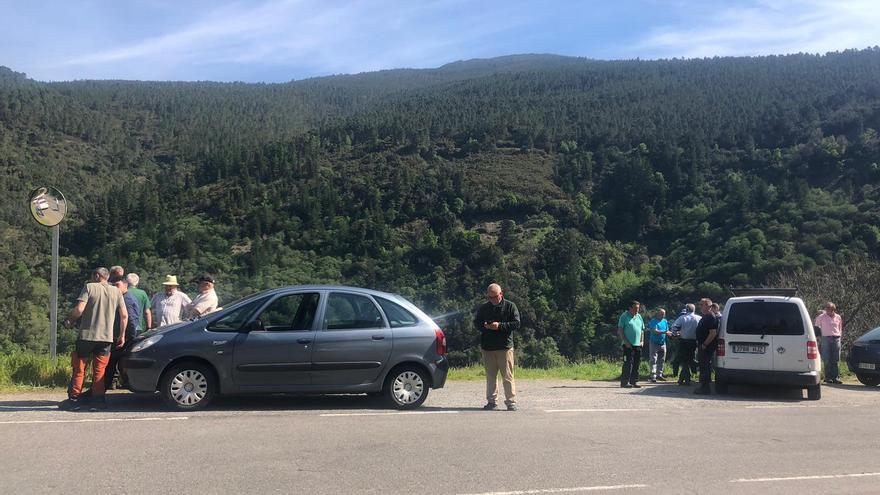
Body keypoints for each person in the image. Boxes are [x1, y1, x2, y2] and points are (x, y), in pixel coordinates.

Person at [59, 267, 127, 411]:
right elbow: (124, 316)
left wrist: (69, 321)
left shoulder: (89, 287)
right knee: (99, 370)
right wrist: (121, 335)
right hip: (106, 338)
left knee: (79, 368)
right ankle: (98, 402)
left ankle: (74, 400)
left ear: (96, 276)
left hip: (87, 336)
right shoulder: (116, 291)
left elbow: (80, 309)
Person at [473, 283, 520, 411]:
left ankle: (511, 402)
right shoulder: (484, 308)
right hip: (488, 347)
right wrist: (485, 326)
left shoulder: (510, 306)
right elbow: (476, 323)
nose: (493, 299)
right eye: (490, 297)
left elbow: (516, 323)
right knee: (490, 376)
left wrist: (499, 326)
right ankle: (492, 402)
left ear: (501, 294)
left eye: (495, 297)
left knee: (507, 376)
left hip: (505, 347)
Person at [104, 276, 140, 390]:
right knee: (113, 363)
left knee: (113, 363)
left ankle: (103, 387)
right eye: (113, 286)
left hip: (124, 338)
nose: (115, 288)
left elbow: (131, 320)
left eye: (117, 285)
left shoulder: (126, 299)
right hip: (121, 336)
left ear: (125, 285)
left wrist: (129, 338)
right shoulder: (123, 297)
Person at [618, 300, 645, 388]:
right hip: (628, 345)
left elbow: (642, 330)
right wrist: (626, 342)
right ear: (630, 308)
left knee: (637, 363)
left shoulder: (639, 316)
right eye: (635, 308)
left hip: (638, 344)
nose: (637, 310)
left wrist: (642, 341)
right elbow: (620, 330)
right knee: (628, 363)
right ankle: (625, 382)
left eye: (638, 308)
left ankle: (634, 381)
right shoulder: (624, 316)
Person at [694, 298, 719, 395]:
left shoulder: (711, 317)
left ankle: (705, 388)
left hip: (706, 346)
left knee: (705, 366)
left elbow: (713, 333)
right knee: (703, 365)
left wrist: (704, 344)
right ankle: (703, 386)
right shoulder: (705, 316)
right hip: (702, 345)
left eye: (702, 305)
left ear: (708, 306)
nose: (700, 306)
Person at [814, 302, 843, 384]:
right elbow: (816, 327)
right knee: (826, 359)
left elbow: (840, 327)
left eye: (829, 308)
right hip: (825, 338)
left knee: (836, 359)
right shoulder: (821, 317)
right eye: (826, 307)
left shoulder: (838, 317)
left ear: (833, 309)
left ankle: (836, 378)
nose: (827, 309)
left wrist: (839, 336)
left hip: (836, 338)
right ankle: (828, 377)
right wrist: (819, 337)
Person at [672, 304, 701, 385]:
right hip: (694, 342)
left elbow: (674, 327)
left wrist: (675, 334)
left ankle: (686, 380)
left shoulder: (682, 318)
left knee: (685, 361)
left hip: (684, 341)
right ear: (694, 310)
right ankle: (683, 380)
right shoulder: (699, 318)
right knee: (690, 360)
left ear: (686, 309)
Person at [648, 309, 671, 383]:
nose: (663, 315)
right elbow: (654, 330)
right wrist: (664, 332)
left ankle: (659, 375)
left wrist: (673, 334)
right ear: (657, 314)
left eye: (664, 314)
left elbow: (667, 331)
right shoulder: (653, 321)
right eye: (661, 314)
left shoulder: (665, 321)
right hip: (654, 343)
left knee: (662, 360)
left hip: (662, 343)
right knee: (653, 360)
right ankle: (653, 376)